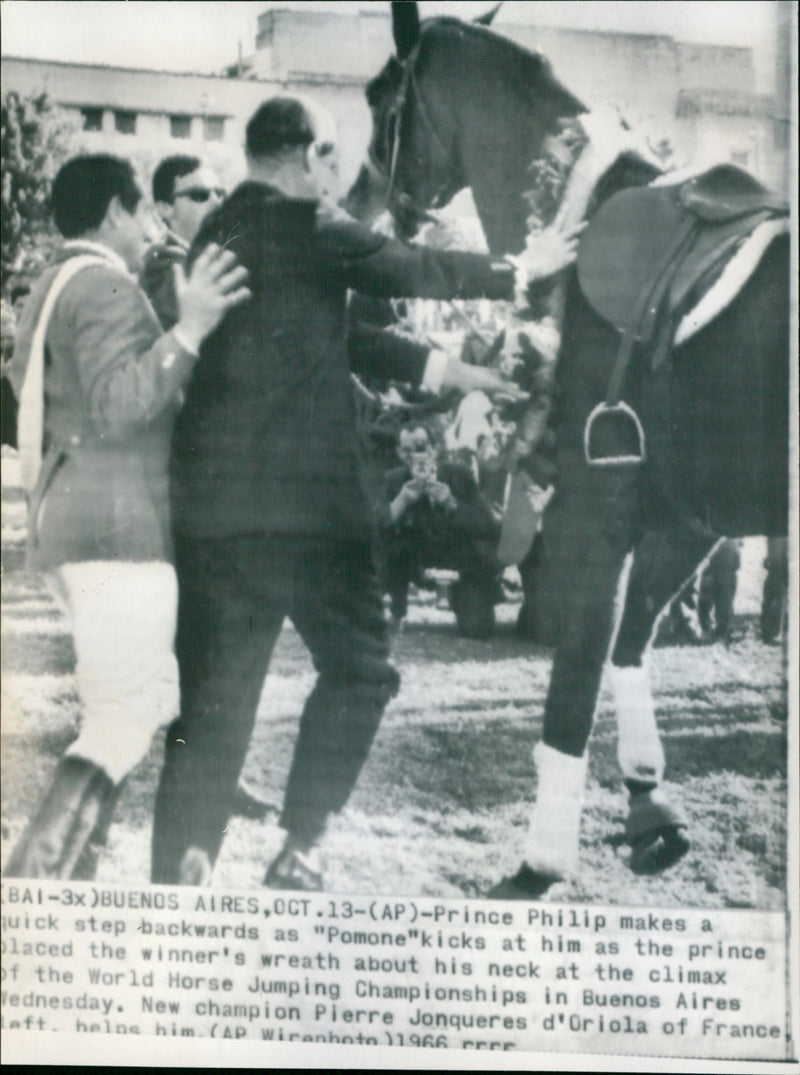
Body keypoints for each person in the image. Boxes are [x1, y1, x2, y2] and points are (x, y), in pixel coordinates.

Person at [150, 95, 582, 890]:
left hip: (215, 521)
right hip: (313, 520)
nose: (336, 176)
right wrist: (522, 268)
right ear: (308, 157)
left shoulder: (216, 235)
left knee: (211, 713)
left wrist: (455, 373)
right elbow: (410, 267)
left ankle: (177, 894)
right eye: (330, 160)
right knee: (362, 672)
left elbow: (343, 335)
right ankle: (303, 845)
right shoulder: (303, 227)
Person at [3, 153, 249, 879]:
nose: (151, 232)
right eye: (144, 214)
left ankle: (66, 882)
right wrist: (191, 331)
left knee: (120, 709)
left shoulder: (49, 284)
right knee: (122, 719)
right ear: (114, 211)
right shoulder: (107, 286)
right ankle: (32, 884)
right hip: (118, 528)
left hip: (71, 524)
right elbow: (115, 404)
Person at [376, 421, 503, 638]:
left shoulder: (459, 475)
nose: (414, 455)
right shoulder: (395, 480)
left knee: (478, 630)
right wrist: (401, 502)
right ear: (398, 452)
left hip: (458, 559)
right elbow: (374, 527)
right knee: (386, 546)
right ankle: (397, 610)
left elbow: (488, 525)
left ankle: (464, 600)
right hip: (414, 558)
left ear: (434, 449)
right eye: (406, 450)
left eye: (421, 447)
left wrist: (453, 504)